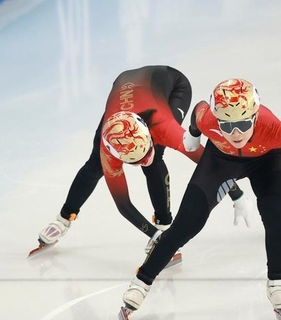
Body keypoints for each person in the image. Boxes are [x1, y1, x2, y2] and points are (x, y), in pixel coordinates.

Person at [119, 78, 281, 320]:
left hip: (269, 159)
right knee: (185, 225)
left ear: (254, 116)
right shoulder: (209, 119)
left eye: (242, 124)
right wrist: (194, 134)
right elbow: (198, 111)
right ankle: (141, 283)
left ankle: (277, 284)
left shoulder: (274, 128)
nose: (236, 133)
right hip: (221, 160)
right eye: (227, 126)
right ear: (217, 120)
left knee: (273, 217)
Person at [35, 66, 249, 255]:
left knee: (155, 162)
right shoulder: (107, 149)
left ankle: (165, 222)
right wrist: (153, 235)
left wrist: (236, 194)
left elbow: (210, 162)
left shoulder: (165, 128)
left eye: (144, 152)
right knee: (94, 165)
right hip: (125, 88)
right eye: (134, 161)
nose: (142, 161)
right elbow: (123, 204)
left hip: (173, 85)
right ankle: (64, 219)